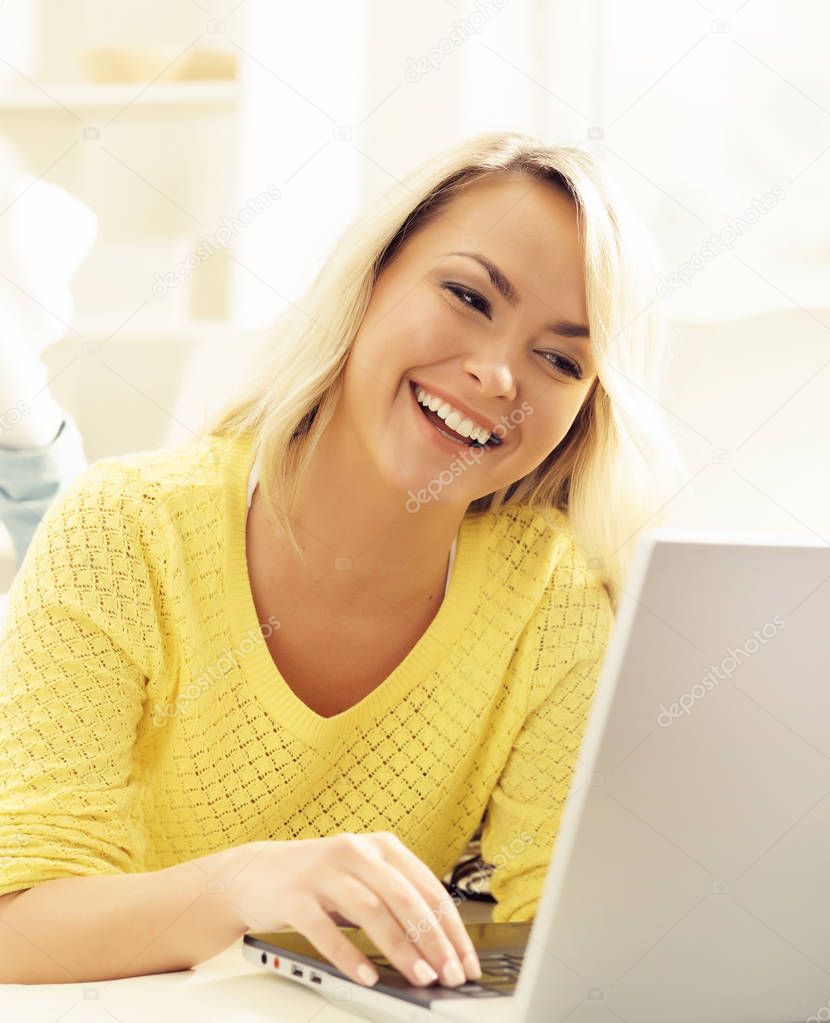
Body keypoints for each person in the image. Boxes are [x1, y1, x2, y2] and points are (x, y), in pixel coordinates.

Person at [0, 131, 686, 988]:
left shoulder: (554, 597)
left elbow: (566, 925)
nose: (498, 373)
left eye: (559, 358)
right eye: (470, 296)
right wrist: (243, 883)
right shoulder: (124, 529)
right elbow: (17, 928)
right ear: (372, 282)